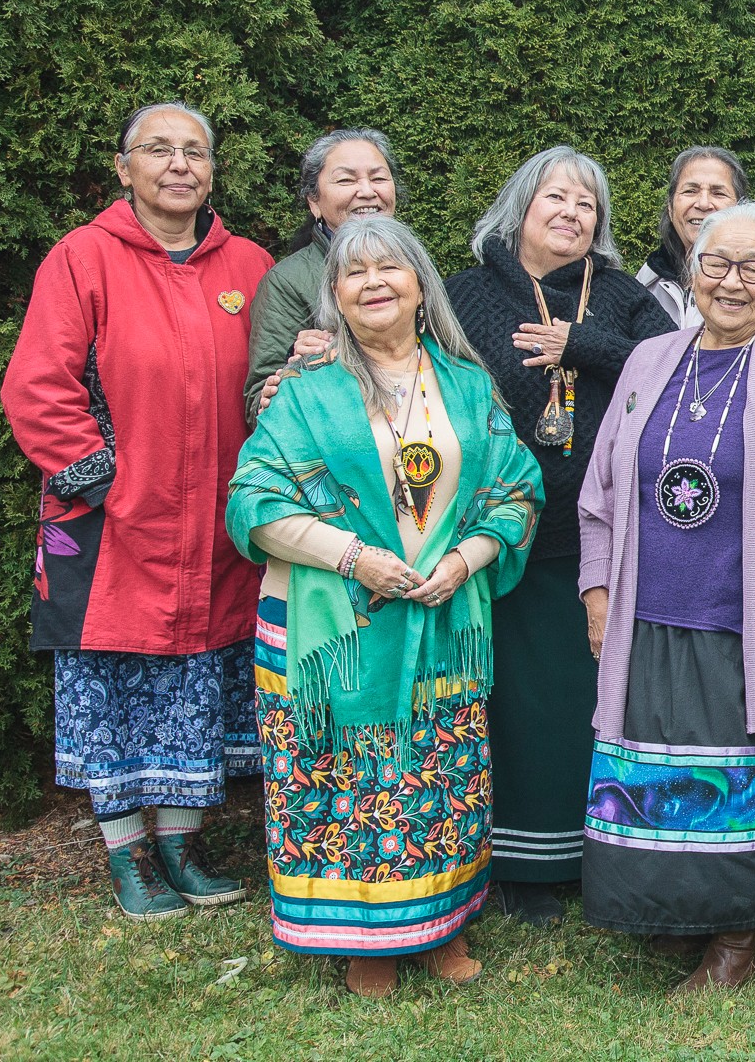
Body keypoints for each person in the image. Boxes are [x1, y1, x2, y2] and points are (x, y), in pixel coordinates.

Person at [227, 216, 542, 996]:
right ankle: (363, 939)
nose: (373, 283)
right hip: (330, 623)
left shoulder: (468, 387)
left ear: (419, 286)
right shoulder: (306, 393)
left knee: (441, 773)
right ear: (334, 295)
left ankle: (438, 924)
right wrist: (355, 557)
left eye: (389, 269)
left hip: (441, 617)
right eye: (354, 273)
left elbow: (516, 489)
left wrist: (467, 558)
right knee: (342, 780)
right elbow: (253, 500)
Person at [3, 101, 271, 922]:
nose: (180, 164)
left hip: (215, 527)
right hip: (112, 522)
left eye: (196, 150)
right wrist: (103, 479)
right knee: (111, 682)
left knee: (194, 681)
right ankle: (128, 858)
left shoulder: (249, 265)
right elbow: (38, 385)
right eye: (159, 150)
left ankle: (182, 849)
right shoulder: (82, 258)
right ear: (125, 169)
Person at [580, 201, 755, 994]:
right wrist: (597, 586)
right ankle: (673, 910)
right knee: (655, 767)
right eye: (716, 265)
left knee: (734, 777)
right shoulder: (649, 359)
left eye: (753, 268)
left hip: (743, 617)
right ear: (690, 273)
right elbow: (601, 490)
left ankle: (735, 935)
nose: (732, 283)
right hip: (647, 608)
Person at [445, 147, 673, 924]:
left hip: (603, 537)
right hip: (507, 535)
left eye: (587, 203)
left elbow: (669, 365)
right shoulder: (468, 292)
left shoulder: (616, 295)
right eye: (557, 198)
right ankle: (520, 862)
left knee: (590, 695)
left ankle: (591, 852)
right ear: (521, 205)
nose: (572, 213)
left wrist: (581, 345)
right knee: (517, 701)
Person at [244, 128, 400, 423]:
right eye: (346, 180)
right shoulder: (288, 281)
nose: (367, 191)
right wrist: (298, 366)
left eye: (379, 178)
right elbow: (258, 405)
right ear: (314, 202)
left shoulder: (414, 265)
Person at [635, 145, 755, 339]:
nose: (703, 204)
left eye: (718, 193)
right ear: (670, 207)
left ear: (740, 206)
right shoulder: (650, 276)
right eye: (690, 191)